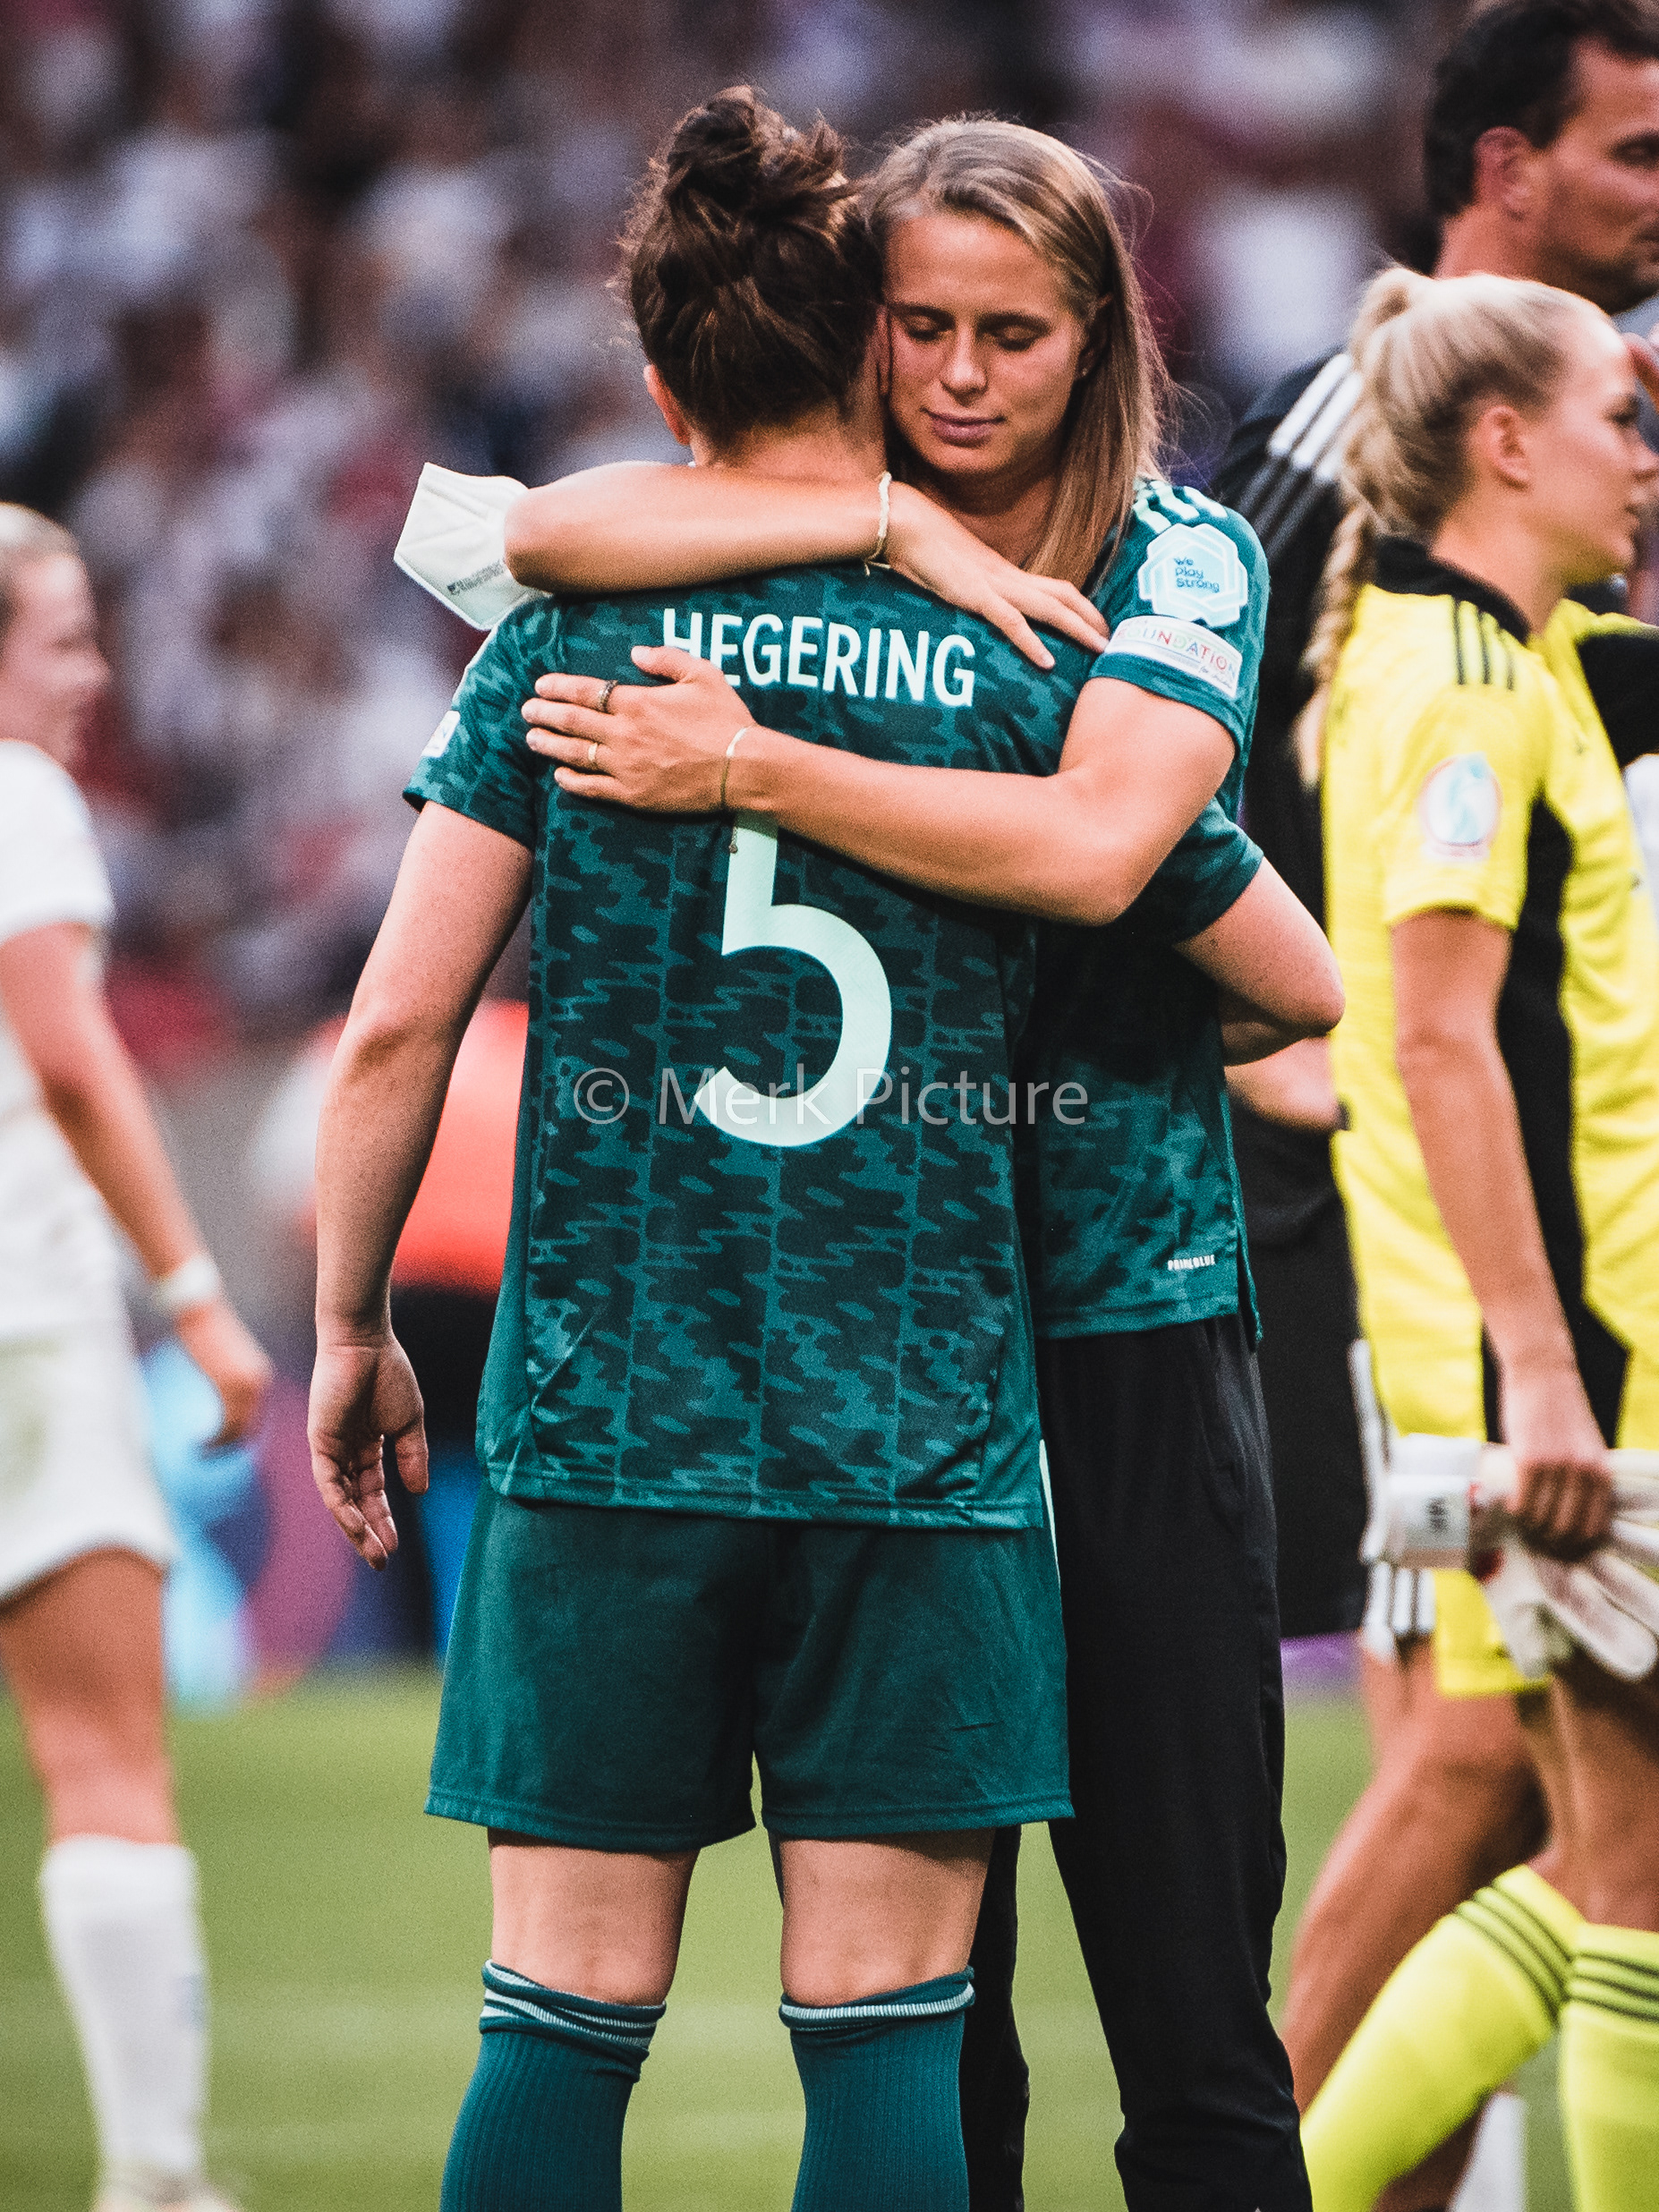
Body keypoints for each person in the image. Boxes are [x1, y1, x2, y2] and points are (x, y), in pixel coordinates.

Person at [506, 115, 1331, 2212]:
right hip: (875, 1334)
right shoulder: (800, 533)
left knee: (1188, 2003)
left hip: (1123, 1315)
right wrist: (880, 527)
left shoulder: (1180, 555)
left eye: (1014, 336)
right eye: (920, 324)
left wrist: (752, 764)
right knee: (923, 2021)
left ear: (1102, 342)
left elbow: (1100, 846)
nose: (960, 375)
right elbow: (528, 533)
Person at [1209, 6, 1659, 2199]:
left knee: (1527, 1794)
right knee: (1516, 1789)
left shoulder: (1520, 602)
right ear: (1504, 164)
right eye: (1635, 153)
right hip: (1442, 1244)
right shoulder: (1405, 551)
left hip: (1495, 1237)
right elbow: (1169, 731)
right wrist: (1264, 1020)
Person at [0, 504, 273, 2212]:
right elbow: (69, 1056)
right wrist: (192, 1293)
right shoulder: (18, 799)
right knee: (102, 1753)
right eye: (63, 639)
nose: (95, 674)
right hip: (25, 1321)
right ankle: (157, 2180)